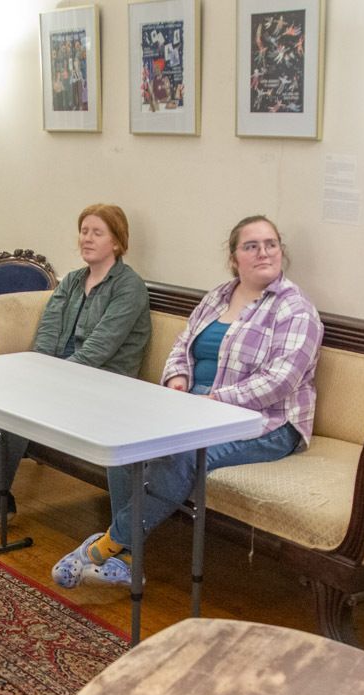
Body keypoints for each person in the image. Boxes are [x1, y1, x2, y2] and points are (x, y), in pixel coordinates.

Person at [53, 215, 322, 588]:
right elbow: (183, 344)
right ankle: (129, 559)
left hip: (266, 423)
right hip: (195, 408)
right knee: (124, 439)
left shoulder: (295, 310)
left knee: (183, 455)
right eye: (251, 245)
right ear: (234, 258)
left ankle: (106, 547)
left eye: (271, 244)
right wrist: (178, 379)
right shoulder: (218, 297)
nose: (263, 252)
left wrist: (213, 399)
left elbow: (279, 382)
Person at [0, 204, 152, 540]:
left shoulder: (128, 288)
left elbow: (97, 351)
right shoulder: (72, 281)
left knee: (21, 414)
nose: (86, 239)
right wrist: (36, 376)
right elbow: (46, 335)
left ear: (117, 242)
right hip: (58, 381)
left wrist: (46, 385)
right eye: (83, 231)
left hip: (101, 388)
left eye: (96, 233)